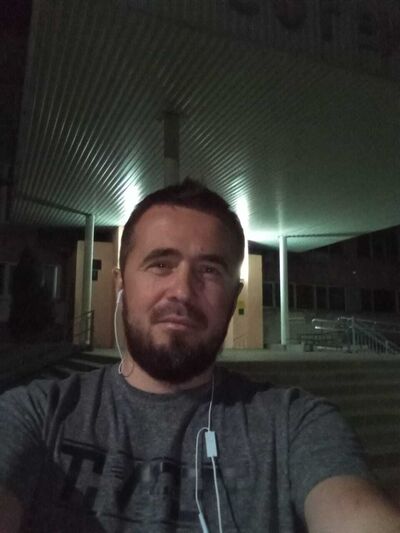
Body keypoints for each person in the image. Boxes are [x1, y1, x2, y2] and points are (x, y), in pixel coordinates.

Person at [0, 179, 399, 533]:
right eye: (160, 264)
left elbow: (353, 510)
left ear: (234, 294)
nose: (182, 291)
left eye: (209, 270)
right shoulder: (37, 414)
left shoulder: (295, 425)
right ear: (121, 284)